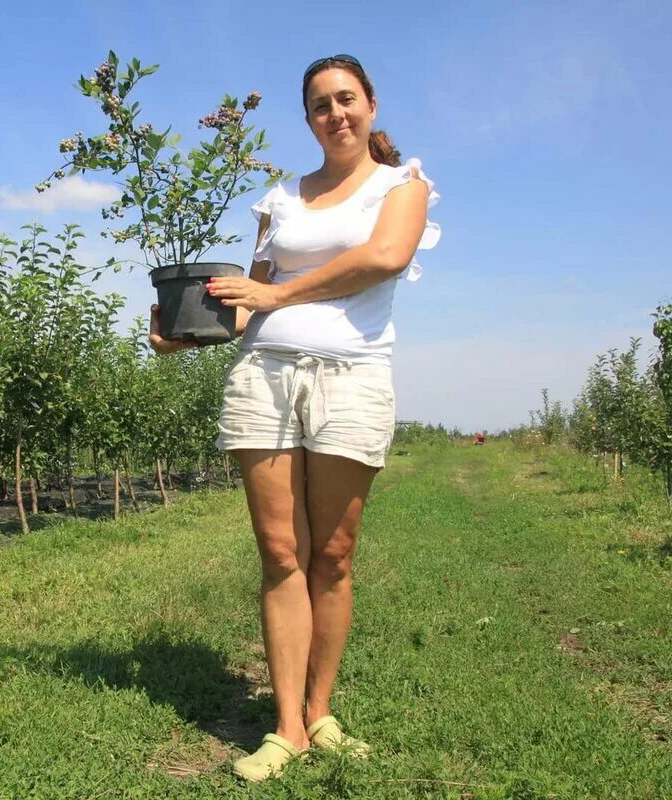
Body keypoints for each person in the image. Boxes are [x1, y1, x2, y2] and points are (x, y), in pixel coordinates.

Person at [149, 53, 440, 782]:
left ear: (371, 103)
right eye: (319, 105)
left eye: (346, 99)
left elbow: (384, 257)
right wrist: (183, 337)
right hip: (266, 378)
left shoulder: (402, 187)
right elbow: (250, 305)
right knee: (281, 554)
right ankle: (287, 728)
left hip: (352, 378)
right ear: (308, 119)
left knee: (333, 556)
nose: (335, 114)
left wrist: (277, 296)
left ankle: (320, 709)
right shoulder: (280, 200)